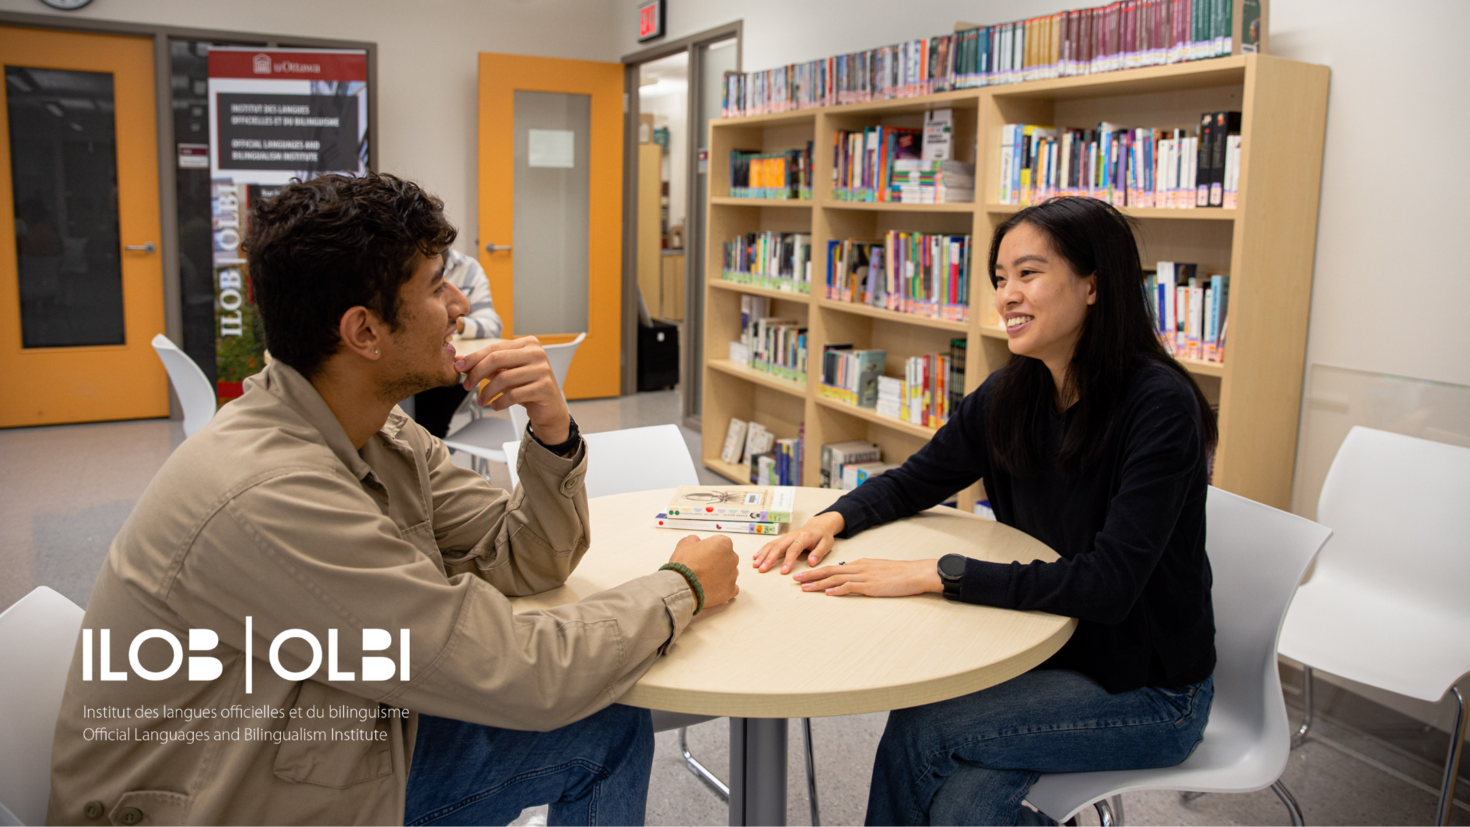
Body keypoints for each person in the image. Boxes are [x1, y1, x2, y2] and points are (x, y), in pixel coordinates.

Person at [47, 173, 739, 826]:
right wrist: (679, 588)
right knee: (597, 726)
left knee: (605, 722)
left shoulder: (375, 428)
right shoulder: (272, 495)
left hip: (308, 738)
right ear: (365, 332)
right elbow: (522, 672)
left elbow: (527, 559)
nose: (462, 308)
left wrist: (551, 432)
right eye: (439, 288)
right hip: (228, 798)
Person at [753, 196, 1218, 825]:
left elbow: (1109, 587)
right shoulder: (1017, 389)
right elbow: (919, 477)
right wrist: (830, 519)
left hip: (1148, 688)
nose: (1006, 296)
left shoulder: (1158, 405)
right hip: (1044, 650)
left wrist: (936, 572)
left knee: (925, 732)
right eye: (1000, 279)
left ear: (1091, 286)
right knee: (958, 803)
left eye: (1028, 274)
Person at [412, 246, 503, 437]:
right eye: (436, 288)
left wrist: (458, 324)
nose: (462, 305)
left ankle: (432, 440)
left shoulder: (469, 268)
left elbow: (492, 325)